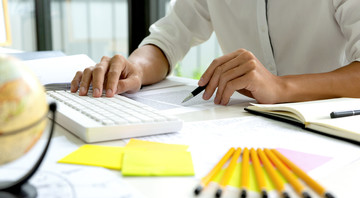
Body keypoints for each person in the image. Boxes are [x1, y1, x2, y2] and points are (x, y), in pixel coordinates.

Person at [71, 0, 360, 105]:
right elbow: (169, 37)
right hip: (248, 129)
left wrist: (280, 87)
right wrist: (135, 67)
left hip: (332, 129)